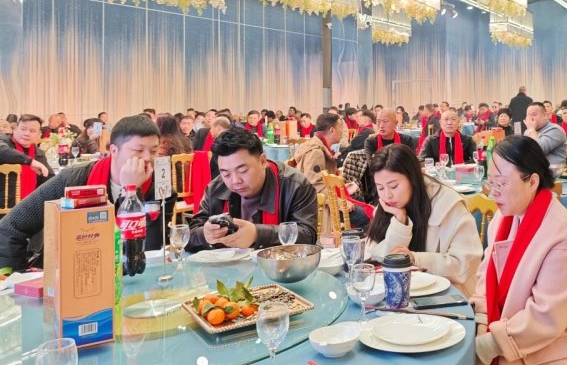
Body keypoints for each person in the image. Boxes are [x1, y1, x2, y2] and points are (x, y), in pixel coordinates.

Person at [471, 136, 567, 365]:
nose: (493, 192)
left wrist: (488, 346)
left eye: (501, 183)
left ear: (532, 181)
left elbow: (546, 316)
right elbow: (487, 272)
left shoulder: (562, 234)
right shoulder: (505, 216)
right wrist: (483, 321)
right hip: (515, 329)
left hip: (558, 348)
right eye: (490, 182)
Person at [0, 116, 176, 271]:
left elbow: (148, 252)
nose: (147, 158)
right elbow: (11, 227)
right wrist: (19, 277)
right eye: (138, 150)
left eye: (154, 151)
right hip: (70, 273)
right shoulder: (73, 180)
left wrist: (131, 191)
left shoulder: (160, 189)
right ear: (114, 150)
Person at [366, 144, 482, 296]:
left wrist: (415, 259)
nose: (387, 195)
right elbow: (380, 258)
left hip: (448, 296)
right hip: (404, 293)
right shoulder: (387, 207)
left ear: (412, 178)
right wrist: (400, 222)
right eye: (380, 188)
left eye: (393, 186)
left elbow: (465, 265)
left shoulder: (447, 204)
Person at [187, 128, 317, 251]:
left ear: (263, 161)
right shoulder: (216, 188)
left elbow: (307, 235)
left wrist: (257, 234)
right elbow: (190, 234)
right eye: (226, 174)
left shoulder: (295, 185)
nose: (235, 181)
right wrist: (204, 234)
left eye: (243, 170)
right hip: (231, 266)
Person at [0, 114, 53, 200]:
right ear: (15, 130)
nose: (27, 134)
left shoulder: (38, 153)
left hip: (29, 203)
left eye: (32, 131)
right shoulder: (4, 141)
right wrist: (30, 161)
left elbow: (49, 178)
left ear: (39, 135)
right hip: (4, 204)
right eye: (23, 129)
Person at [292, 113, 342, 193]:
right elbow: (316, 186)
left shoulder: (318, 144)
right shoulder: (316, 152)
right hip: (316, 198)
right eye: (340, 128)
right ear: (332, 130)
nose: (341, 131)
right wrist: (338, 199)